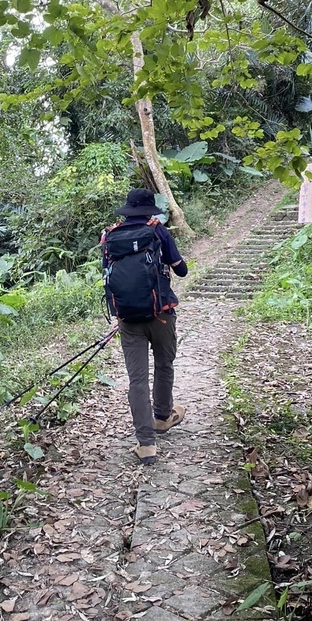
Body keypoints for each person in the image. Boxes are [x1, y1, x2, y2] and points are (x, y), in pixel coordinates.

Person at [103, 188, 188, 466]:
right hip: (161, 314)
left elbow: (108, 276)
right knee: (164, 364)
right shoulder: (157, 230)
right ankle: (163, 417)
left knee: (137, 380)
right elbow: (181, 269)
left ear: (127, 210)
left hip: (128, 319)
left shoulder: (110, 235)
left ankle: (146, 444)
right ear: (150, 210)